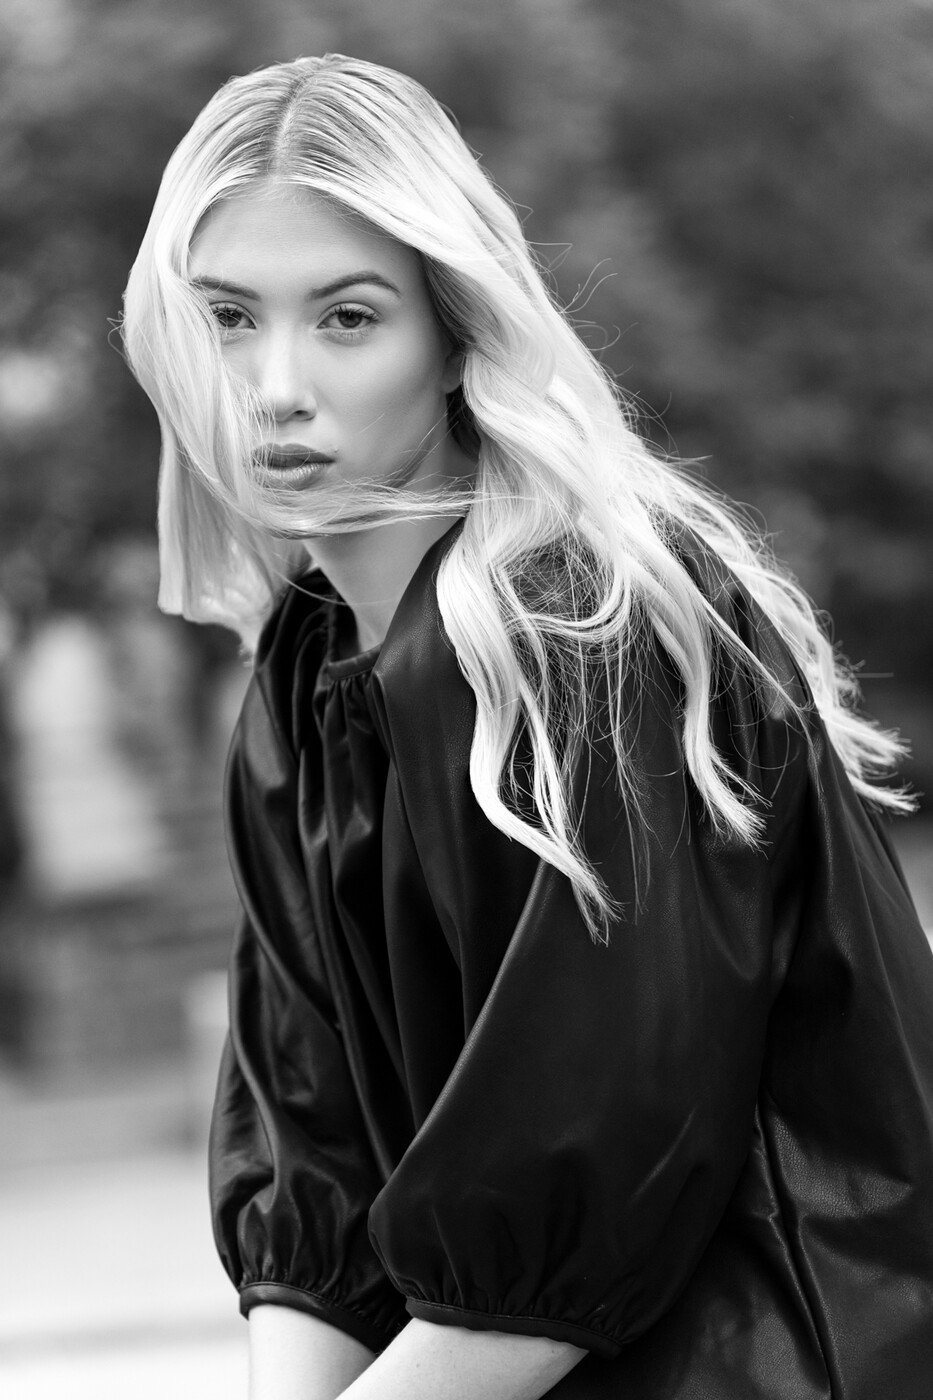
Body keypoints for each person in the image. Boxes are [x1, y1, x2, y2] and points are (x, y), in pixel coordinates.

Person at [121, 53, 933, 1400]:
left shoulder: (583, 633)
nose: (273, 385)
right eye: (225, 318)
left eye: (347, 318)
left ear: (453, 334)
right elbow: (313, 1165)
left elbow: (572, 1205)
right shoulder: (307, 672)